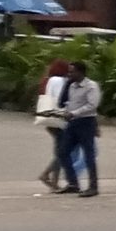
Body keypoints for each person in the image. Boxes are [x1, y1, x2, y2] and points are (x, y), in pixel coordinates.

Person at [53, 62, 102, 196]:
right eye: (69, 72)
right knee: (63, 152)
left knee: (88, 155)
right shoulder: (72, 86)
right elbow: (69, 102)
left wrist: (74, 113)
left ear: (81, 72)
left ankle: (93, 186)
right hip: (72, 122)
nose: (69, 75)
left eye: (72, 72)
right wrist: (65, 112)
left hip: (86, 122)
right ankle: (73, 183)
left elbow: (92, 105)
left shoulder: (91, 86)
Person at [34, 60, 70, 190]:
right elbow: (62, 99)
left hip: (49, 118)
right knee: (64, 151)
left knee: (59, 150)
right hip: (59, 119)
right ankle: (46, 175)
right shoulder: (59, 81)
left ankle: (54, 182)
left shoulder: (48, 80)